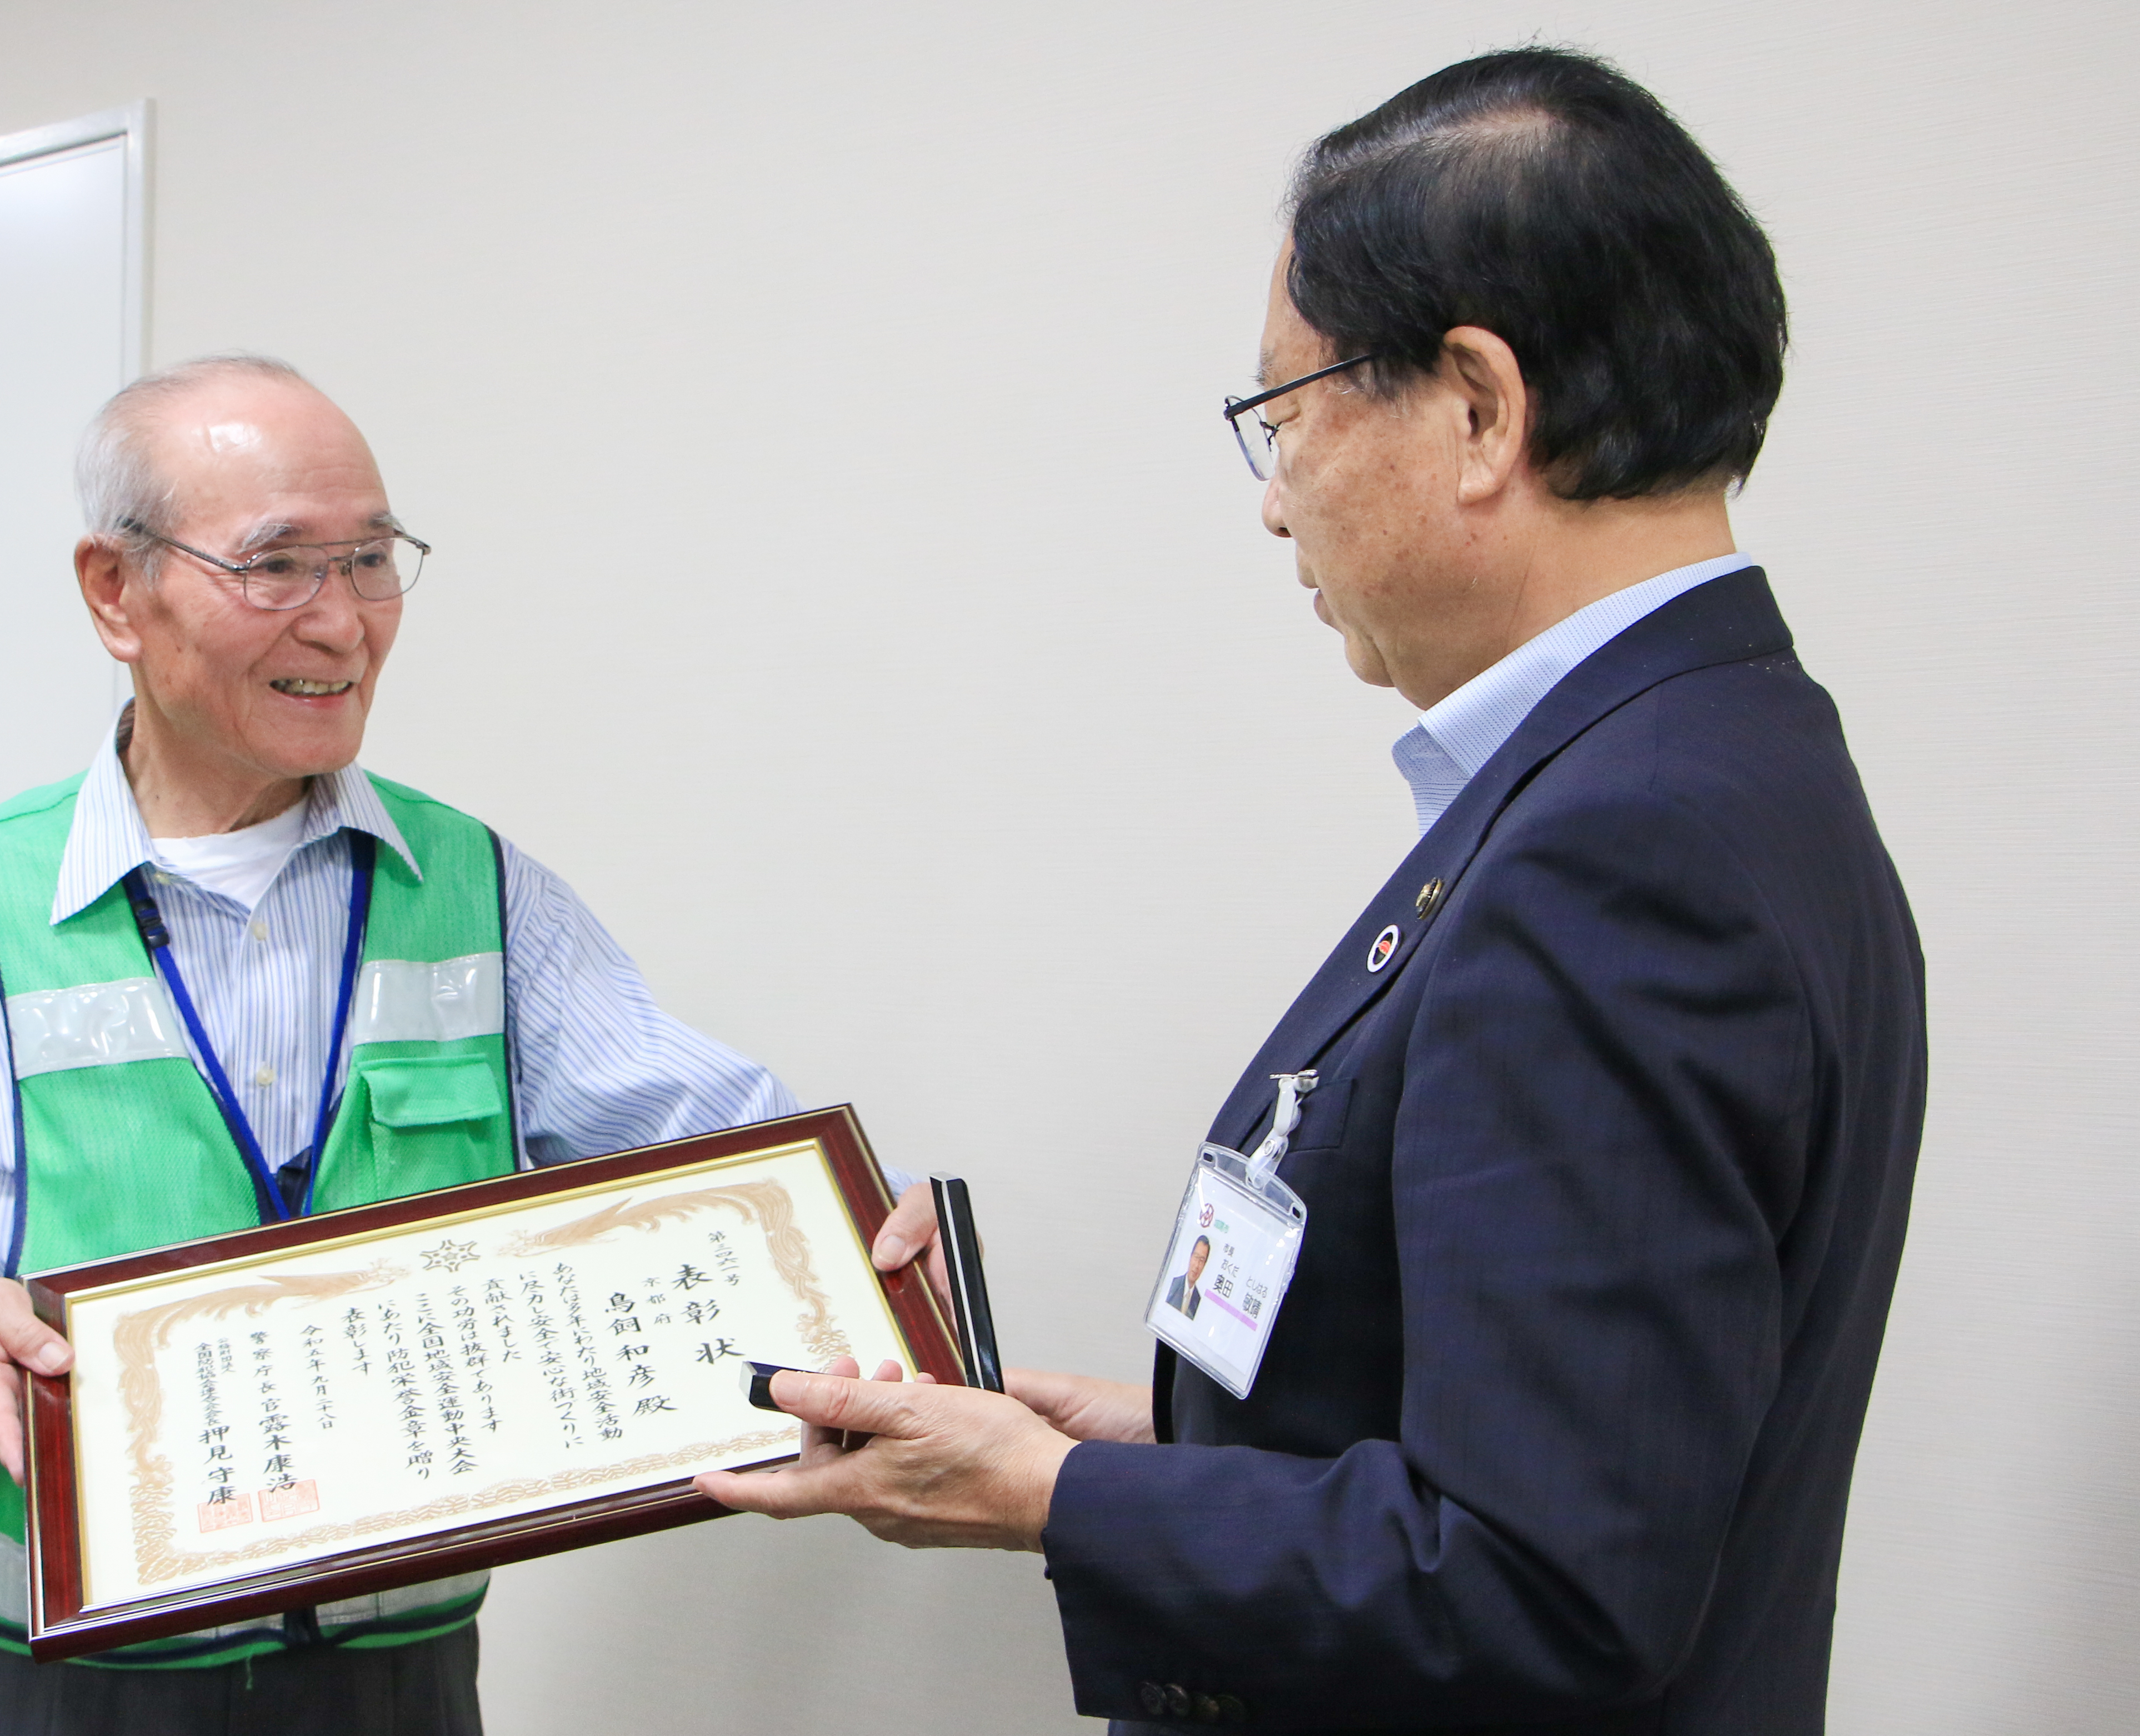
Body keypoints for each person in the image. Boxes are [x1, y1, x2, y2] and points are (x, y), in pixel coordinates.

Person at [697, 48, 1925, 1736]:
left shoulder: (1623, 847)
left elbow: (1536, 1585)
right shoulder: (1707, 753)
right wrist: (1171, 1450)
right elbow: (1554, 1437)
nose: (1273, 502)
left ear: (1478, 409)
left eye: (1284, 416)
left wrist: (1044, 1499)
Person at [0, 354, 798, 1735]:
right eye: (278, 565)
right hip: (44, 1683)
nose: (343, 622)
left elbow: (711, 1157)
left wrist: (838, 1253)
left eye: (369, 559)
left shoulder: (476, 891)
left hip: (385, 1682)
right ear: (116, 591)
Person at [1163, 1237, 1209, 1319]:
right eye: (1196, 1257)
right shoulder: (1173, 1285)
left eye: (1202, 1261)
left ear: (1205, 1265)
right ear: (1190, 1257)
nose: (1197, 1266)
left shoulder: (1198, 1301)